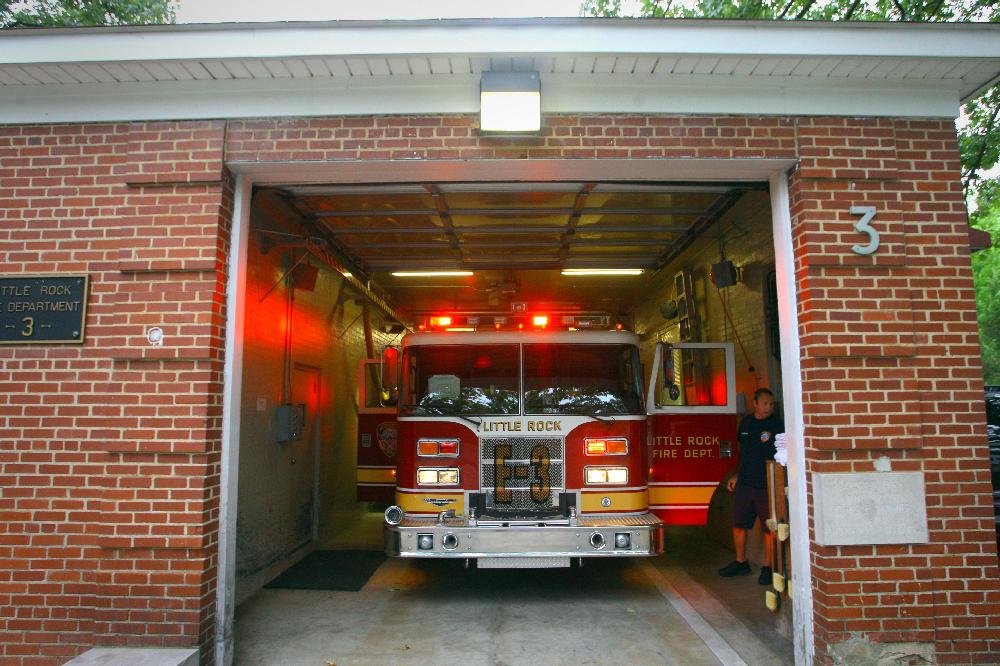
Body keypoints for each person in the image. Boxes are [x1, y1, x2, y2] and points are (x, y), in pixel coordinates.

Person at [718, 387, 784, 585]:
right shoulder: (746, 423)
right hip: (745, 483)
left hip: (766, 483)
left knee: (768, 527)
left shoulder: (777, 425)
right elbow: (744, 453)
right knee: (739, 524)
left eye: (771, 404)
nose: (768, 407)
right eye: (764, 403)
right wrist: (737, 475)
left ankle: (767, 566)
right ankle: (741, 562)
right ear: (755, 404)